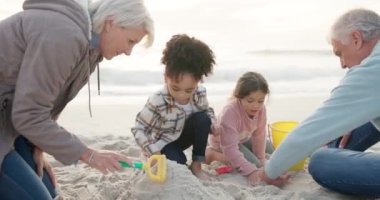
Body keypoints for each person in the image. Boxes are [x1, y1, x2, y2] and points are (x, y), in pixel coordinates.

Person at [0, 0, 154, 199]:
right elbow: (28, 116)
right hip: (14, 118)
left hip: (11, 119)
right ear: (110, 23)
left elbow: (46, 99)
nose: (128, 51)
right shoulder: (64, 35)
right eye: (131, 41)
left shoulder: (91, 48)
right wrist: (89, 155)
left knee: (49, 188)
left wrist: (39, 145)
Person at [262, 8, 380, 197]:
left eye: (339, 53)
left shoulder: (373, 69)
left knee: (320, 160)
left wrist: (268, 172)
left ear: (356, 39)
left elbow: (309, 131)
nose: (342, 64)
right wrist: (353, 119)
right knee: (357, 124)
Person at [132, 34, 217, 180]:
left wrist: (213, 122)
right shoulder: (157, 100)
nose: (182, 95)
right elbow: (139, 128)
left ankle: (196, 166)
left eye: (188, 90)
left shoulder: (200, 92)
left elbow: (206, 110)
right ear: (166, 77)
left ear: (198, 81)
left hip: (185, 137)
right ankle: (181, 163)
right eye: (176, 89)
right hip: (165, 142)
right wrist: (153, 151)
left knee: (203, 119)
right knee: (178, 166)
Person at [206, 71, 275, 186]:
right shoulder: (230, 112)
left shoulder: (261, 109)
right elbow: (230, 149)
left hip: (242, 137)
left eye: (260, 101)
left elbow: (259, 135)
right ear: (239, 97)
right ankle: (212, 154)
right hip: (223, 143)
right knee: (253, 164)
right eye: (250, 100)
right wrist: (252, 170)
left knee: (270, 149)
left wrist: (262, 159)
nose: (256, 106)